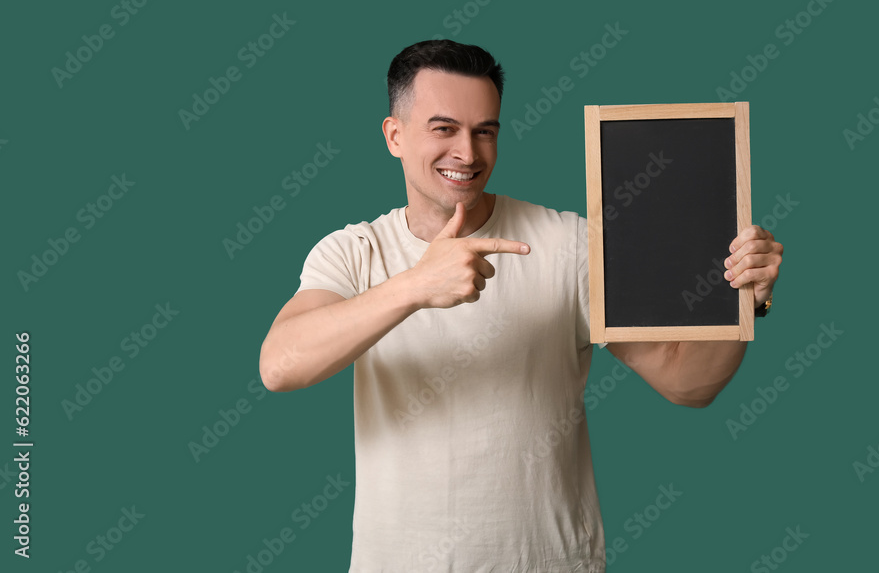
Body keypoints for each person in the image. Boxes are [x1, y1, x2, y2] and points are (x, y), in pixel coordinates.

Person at [259, 40, 783, 571]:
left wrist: (741, 297)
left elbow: (686, 384)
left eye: (484, 131)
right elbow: (281, 365)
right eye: (444, 129)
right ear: (394, 136)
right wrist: (416, 286)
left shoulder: (571, 245)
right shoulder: (354, 251)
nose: (467, 152)